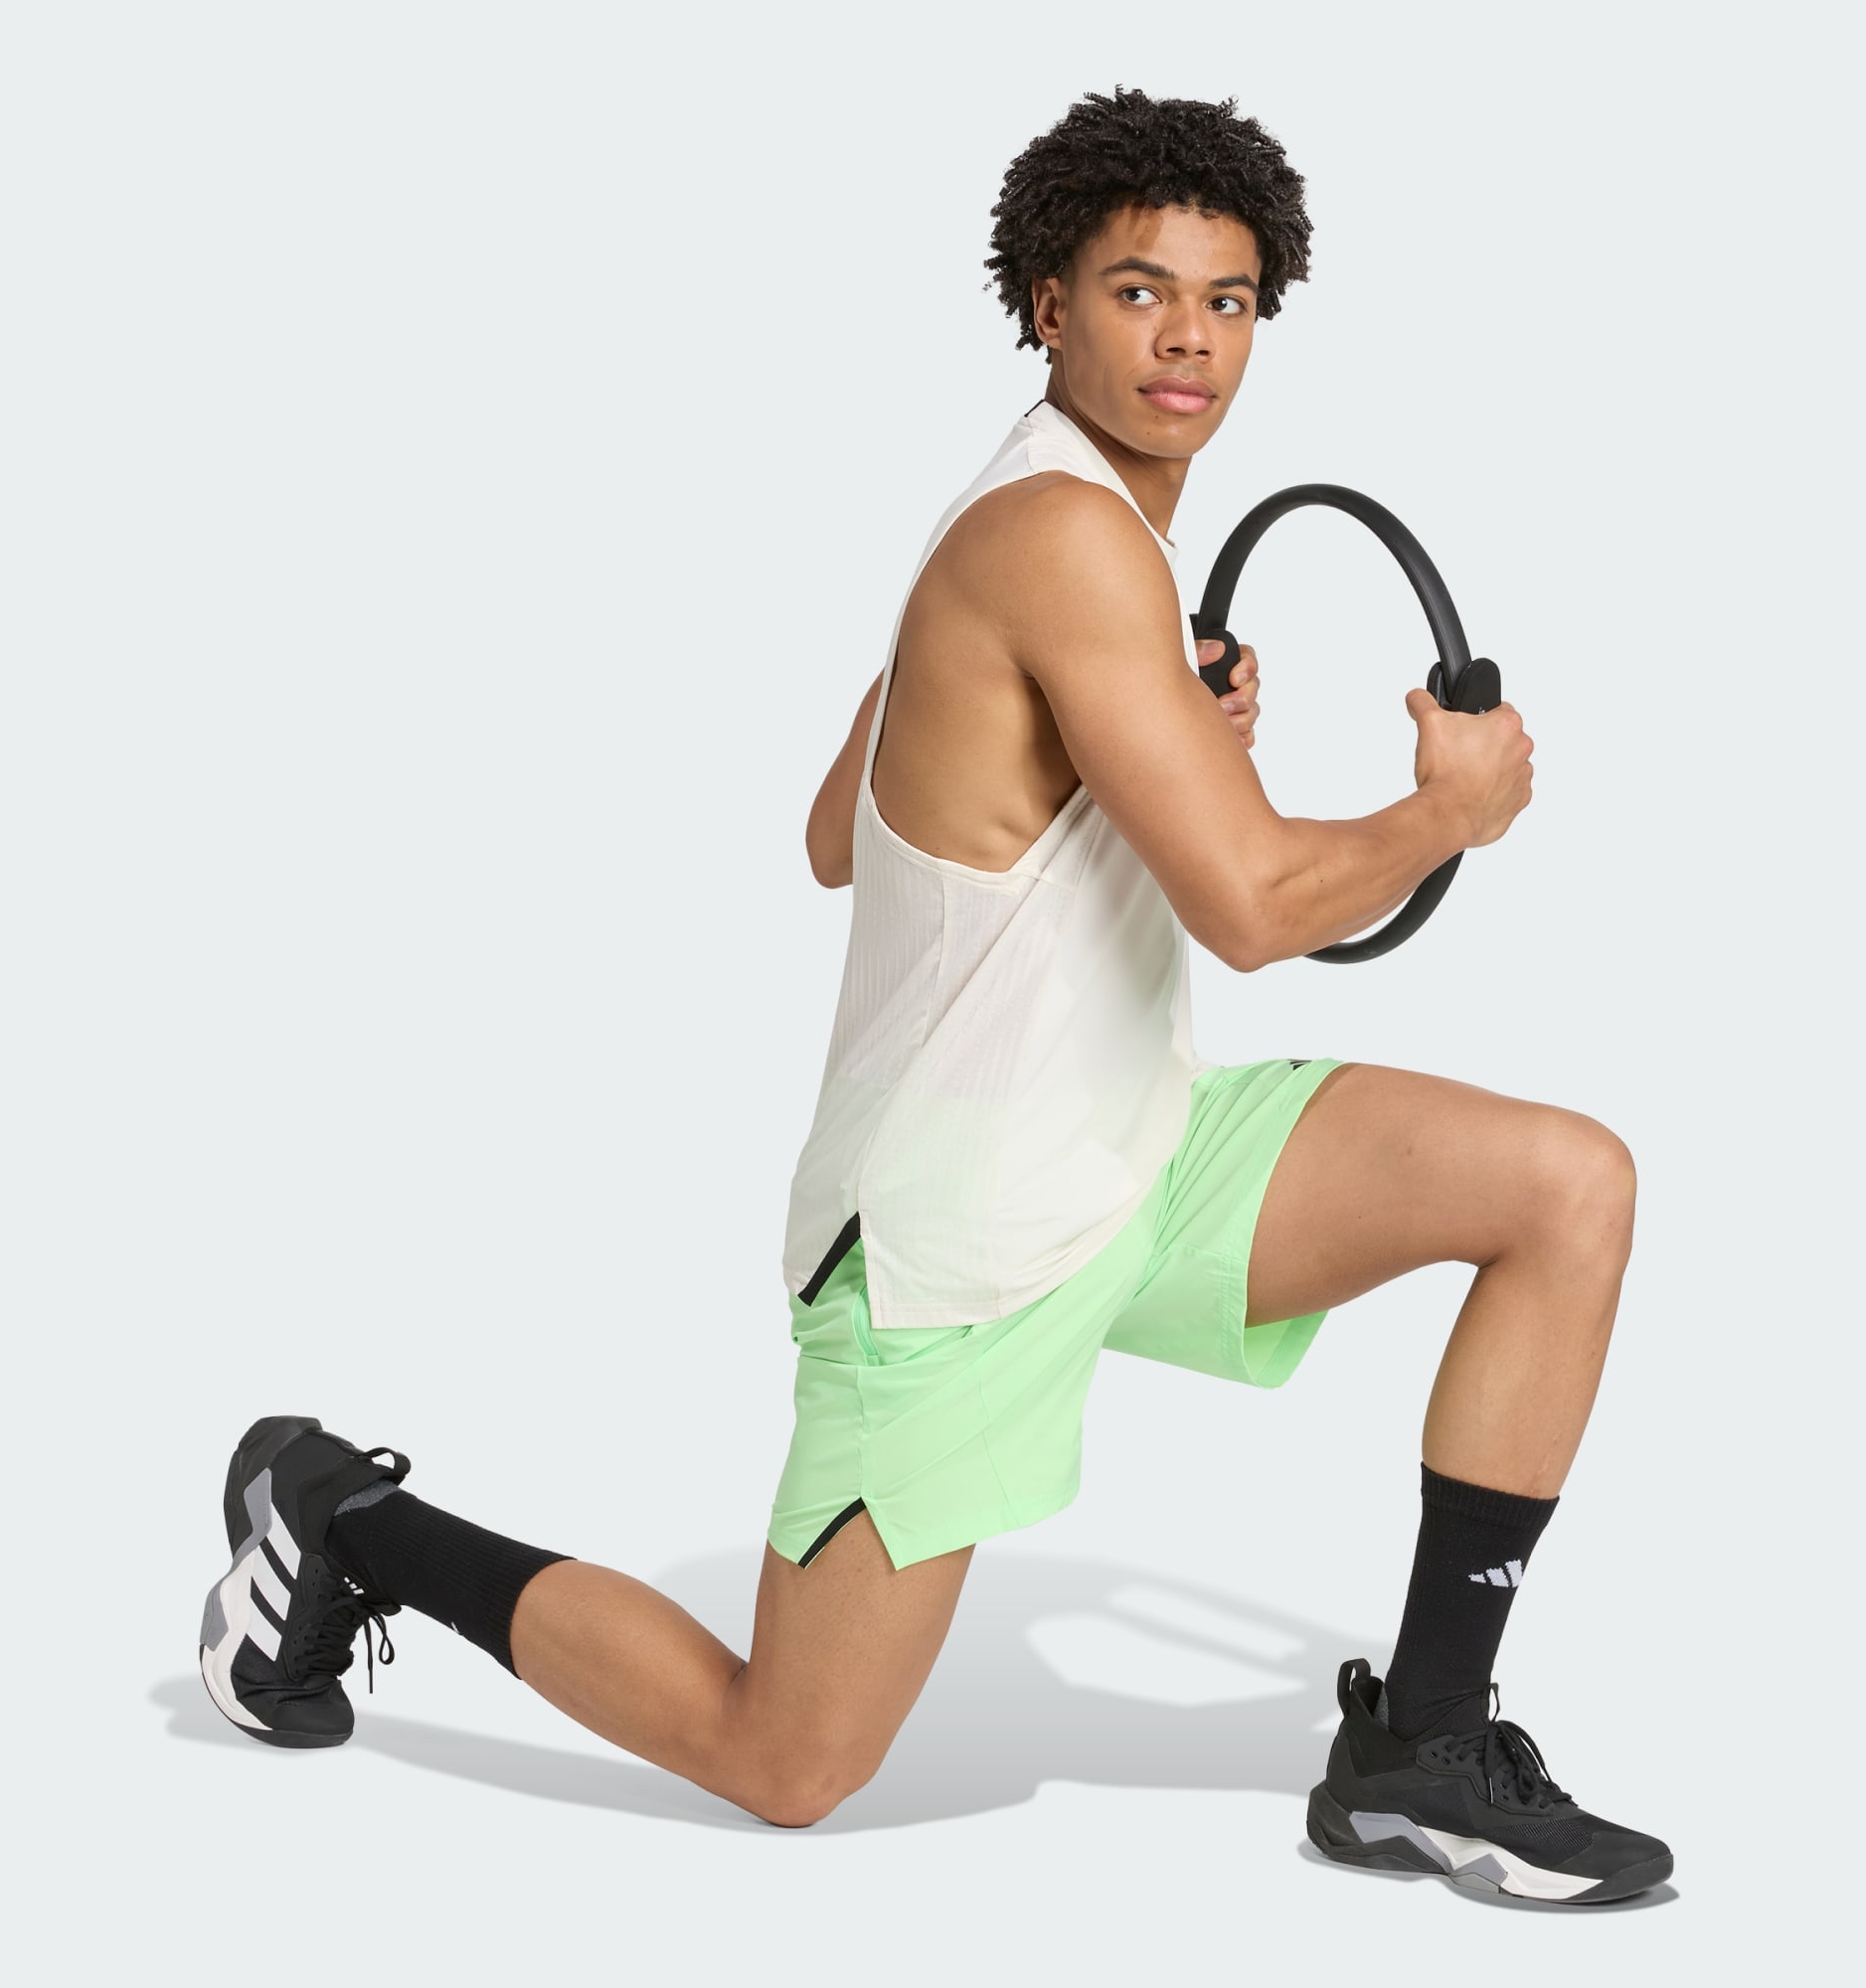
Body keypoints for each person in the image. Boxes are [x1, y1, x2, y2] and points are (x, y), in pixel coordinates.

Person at [197, 85, 1669, 1905]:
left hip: (1137, 1156)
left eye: (1225, 299)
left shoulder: (1054, 523)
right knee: (786, 1758)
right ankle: (345, 1517)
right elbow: (1252, 909)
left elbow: (840, 829)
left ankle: (1421, 1749)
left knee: (1564, 1185)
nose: (1189, 338)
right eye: (1138, 291)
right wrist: (1450, 809)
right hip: (954, 1241)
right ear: (1047, 303)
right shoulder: (1059, 537)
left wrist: (1135, 734)